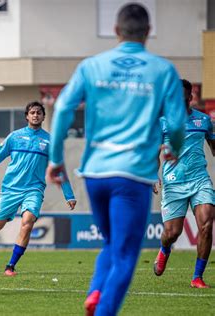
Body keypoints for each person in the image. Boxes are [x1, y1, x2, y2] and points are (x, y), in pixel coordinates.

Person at [46, 4, 186, 315]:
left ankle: (96, 292)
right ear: (148, 32)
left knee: (112, 244)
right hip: (132, 176)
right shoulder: (163, 70)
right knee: (125, 256)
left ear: (116, 30)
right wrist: (172, 147)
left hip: (95, 174)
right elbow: (177, 124)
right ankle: (104, 307)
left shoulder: (92, 65)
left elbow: (62, 110)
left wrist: (55, 159)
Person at [0, 101, 76, 276]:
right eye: (32, 112)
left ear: (43, 116)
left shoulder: (49, 141)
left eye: (39, 112)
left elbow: (58, 168)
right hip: (10, 190)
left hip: (34, 190)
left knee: (28, 222)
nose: (35, 115)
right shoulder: (14, 137)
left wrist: (69, 195)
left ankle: (10, 266)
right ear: (27, 116)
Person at [153, 79, 214, 288]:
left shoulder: (204, 121)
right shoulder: (162, 122)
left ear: (190, 98)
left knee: (206, 225)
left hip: (200, 180)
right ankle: (164, 250)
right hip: (173, 183)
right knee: (172, 233)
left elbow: (213, 146)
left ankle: (197, 277)